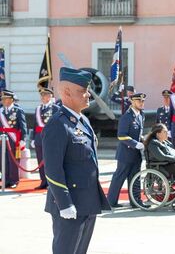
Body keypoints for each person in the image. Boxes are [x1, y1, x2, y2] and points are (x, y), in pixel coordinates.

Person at [43, 67, 110, 254]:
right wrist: (64, 203)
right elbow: (53, 169)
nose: (88, 94)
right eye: (82, 91)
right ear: (66, 92)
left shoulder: (83, 121)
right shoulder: (58, 124)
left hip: (87, 202)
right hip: (69, 204)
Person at [107, 92, 147, 208]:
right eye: (139, 101)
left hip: (136, 154)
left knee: (135, 178)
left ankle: (135, 201)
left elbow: (139, 133)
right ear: (132, 102)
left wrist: (145, 140)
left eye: (143, 101)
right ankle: (111, 201)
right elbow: (121, 135)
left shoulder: (141, 115)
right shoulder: (127, 116)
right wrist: (135, 144)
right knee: (119, 177)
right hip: (126, 153)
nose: (141, 103)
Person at [31, 87, 60, 189]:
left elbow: (58, 125)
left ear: (50, 96)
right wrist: (33, 139)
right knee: (40, 161)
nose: (43, 97)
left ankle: (51, 183)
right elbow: (35, 125)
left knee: (50, 162)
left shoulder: (55, 108)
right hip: (39, 138)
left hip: (51, 139)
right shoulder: (38, 109)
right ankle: (43, 181)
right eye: (42, 95)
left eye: (45, 95)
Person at [0, 89, 26, 189]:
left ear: (11, 99)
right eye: (2, 99)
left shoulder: (18, 110)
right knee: (3, 160)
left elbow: (23, 126)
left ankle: (14, 180)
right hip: (2, 139)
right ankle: (5, 180)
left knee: (14, 160)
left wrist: (23, 139)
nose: (2, 101)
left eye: (5, 99)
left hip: (14, 140)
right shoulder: (1, 111)